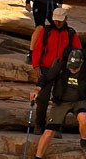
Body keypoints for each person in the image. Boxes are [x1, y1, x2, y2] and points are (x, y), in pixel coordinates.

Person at [29, 48, 86, 159]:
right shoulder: (61, 67)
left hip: (78, 101)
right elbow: (47, 77)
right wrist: (37, 90)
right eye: (71, 67)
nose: (73, 70)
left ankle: (83, 142)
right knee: (48, 133)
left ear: (81, 63)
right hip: (61, 101)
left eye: (75, 68)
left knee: (83, 118)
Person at [31, 7, 82, 136]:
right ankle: (39, 124)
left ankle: (57, 127)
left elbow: (78, 51)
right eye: (56, 20)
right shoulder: (46, 31)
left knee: (60, 99)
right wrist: (36, 65)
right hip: (46, 68)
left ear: (66, 19)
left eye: (60, 20)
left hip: (63, 70)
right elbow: (38, 48)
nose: (58, 23)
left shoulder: (71, 33)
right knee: (42, 97)